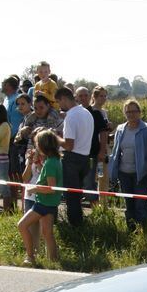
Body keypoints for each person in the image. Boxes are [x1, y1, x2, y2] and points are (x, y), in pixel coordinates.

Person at [108, 98, 147, 229]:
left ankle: (143, 231)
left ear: (139, 112)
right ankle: (131, 229)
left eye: (134, 111)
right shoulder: (120, 129)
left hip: (141, 173)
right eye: (128, 112)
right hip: (124, 173)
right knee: (129, 204)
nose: (131, 114)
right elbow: (116, 150)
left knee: (141, 204)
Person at [18, 129, 61, 265]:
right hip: (51, 204)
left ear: (43, 146)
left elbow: (51, 188)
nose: (36, 147)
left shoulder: (49, 164)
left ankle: (30, 256)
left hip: (43, 203)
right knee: (47, 233)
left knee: (22, 225)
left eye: (37, 144)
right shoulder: (55, 161)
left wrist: (34, 188)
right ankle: (54, 261)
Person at [55, 86, 93, 226]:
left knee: (71, 197)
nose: (59, 105)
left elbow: (69, 145)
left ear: (64, 98)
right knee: (77, 196)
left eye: (59, 101)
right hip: (85, 158)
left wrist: (56, 138)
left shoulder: (71, 116)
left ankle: (75, 227)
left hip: (71, 159)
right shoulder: (86, 113)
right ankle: (79, 223)